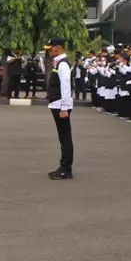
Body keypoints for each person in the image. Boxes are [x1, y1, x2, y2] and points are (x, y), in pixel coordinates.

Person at [46, 36, 74, 179]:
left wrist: (64, 108)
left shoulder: (63, 64)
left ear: (58, 48)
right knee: (63, 137)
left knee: (65, 137)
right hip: (57, 103)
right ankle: (64, 167)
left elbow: (66, 86)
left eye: (51, 49)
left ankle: (65, 168)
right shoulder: (59, 62)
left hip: (60, 105)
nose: (49, 51)